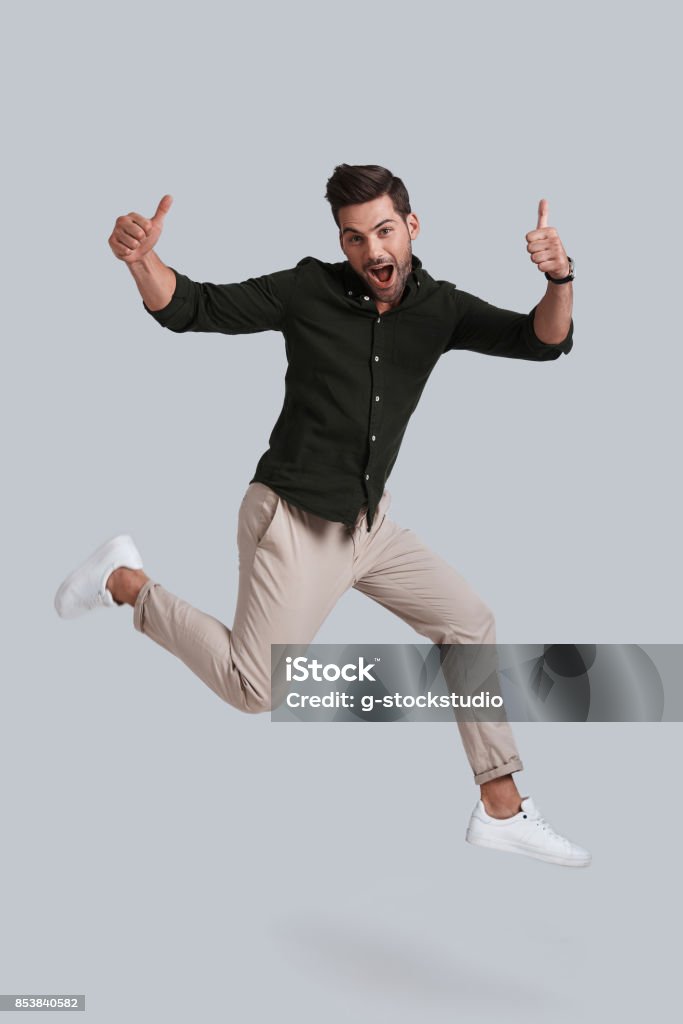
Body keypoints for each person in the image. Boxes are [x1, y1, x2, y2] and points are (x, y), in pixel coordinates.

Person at [55, 164, 590, 868]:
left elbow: (542, 340)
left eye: (384, 231)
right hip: (293, 521)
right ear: (341, 243)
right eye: (355, 237)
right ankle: (125, 581)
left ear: (412, 228)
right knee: (255, 691)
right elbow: (193, 306)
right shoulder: (308, 290)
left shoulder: (441, 308)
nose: (373, 251)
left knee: (468, 620)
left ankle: (501, 807)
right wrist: (143, 259)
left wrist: (559, 278)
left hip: (368, 526)